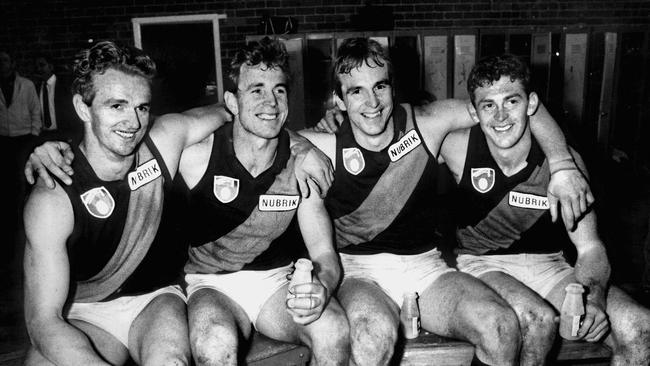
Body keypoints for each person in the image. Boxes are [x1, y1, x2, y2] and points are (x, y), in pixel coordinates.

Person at [23, 40, 334, 366]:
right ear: (83, 107)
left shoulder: (164, 141)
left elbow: (243, 111)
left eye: (141, 107)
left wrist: (300, 144)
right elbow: (43, 322)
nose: (133, 122)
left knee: (170, 361)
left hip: (155, 299)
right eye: (116, 106)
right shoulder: (53, 196)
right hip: (84, 312)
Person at [299, 38, 593, 365]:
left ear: (393, 88)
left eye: (379, 86)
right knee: (372, 336)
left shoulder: (429, 122)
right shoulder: (323, 144)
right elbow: (265, 135)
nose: (372, 102)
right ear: (338, 100)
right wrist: (289, 144)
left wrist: (563, 164)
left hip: (425, 267)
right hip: (359, 271)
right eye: (356, 91)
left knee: (500, 326)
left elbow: (507, 104)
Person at [439, 54, 650, 365]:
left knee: (640, 327)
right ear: (474, 111)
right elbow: (397, 137)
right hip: (481, 265)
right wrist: (340, 120)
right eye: (488, 105)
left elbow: (590, 248)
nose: (501, 116)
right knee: (534, 320)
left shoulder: (566, 166)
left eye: (511, 101)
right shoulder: (456, 146)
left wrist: (592, 298)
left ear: (532, 103)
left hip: (550, 267)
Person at [179, 38, 348, 366]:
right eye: (256, 89)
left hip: (275, 283)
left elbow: (324, 252)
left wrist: (323, 287)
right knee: (214, 344)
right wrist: (54, 148)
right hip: (212, 284)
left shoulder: (302, 162)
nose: (270, 102)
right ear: (231, 100)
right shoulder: (196, 157)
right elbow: (133, 145)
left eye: (279, 90)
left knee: (334, 330)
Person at [34, 53, 81, 141]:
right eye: (36, 66)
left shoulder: (65, 85)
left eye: (42, 65)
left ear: (51, 66)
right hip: (44, 135)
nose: (39, 69)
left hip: (64, 134)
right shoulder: (36, 88)